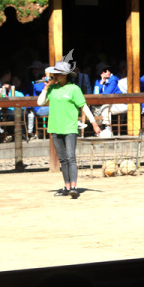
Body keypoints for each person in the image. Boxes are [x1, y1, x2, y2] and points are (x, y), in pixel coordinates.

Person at [39, 61, 100, 198]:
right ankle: (66, 187)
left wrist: (94, 123)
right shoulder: (51, 89)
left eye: (58, 73)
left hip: (70, 127)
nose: (55, 75)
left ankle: (74, 187)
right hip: (55, 127)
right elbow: (40, 102)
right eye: (54, 73)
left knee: (71, 157)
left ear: (65, 75)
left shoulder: (74, 89)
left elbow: (84, 106)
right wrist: (45, 87)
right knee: (63, 159)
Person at [91, 62, 121, 136]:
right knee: (94, 107)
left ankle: (108, 127)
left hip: (117, 103)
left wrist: (99, 96)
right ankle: (99, 128)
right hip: (104, 102)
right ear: (100, 73)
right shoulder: (98, 82)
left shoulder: (113, 79)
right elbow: (95, 94)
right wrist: (101, 82)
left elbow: (107, 93)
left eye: (108, 70)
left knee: (105, 106)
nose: (108, 72)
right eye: (105, 71)